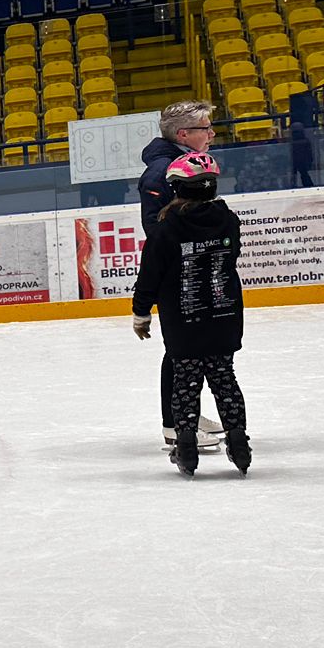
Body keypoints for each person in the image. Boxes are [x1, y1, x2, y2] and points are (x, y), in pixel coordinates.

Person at [132, 152, 251, 476]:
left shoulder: (166, 228)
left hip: (183, 321)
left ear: (176, 188)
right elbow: (231, 256)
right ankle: (238, 441)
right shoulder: (229, 220)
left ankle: (186, 447)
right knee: (225, 379)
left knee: (185, 382)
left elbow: (150, 275)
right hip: (224, 316)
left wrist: (141, 313)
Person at [138, 101, 222, 448]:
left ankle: (187, 411)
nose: (212, 134)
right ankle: (175, 424)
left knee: (192, 347)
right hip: (178, 272)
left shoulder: (185, 163)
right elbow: (157, 229)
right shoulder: (162, 171)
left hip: (189, 268)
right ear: (184, 134)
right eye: (206, 128)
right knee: (180, 350)